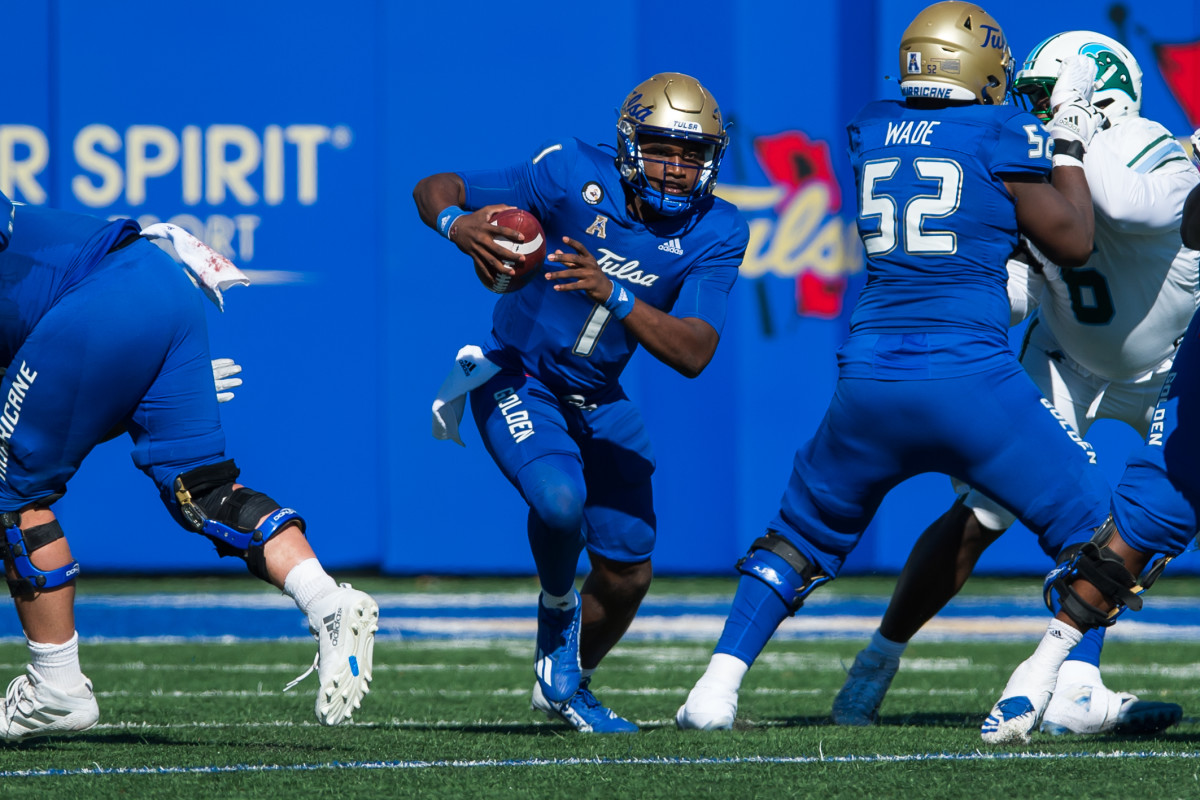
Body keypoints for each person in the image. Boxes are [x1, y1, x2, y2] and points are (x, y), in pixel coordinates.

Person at [677, 0, 1114, 731]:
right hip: (971, 380)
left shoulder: (872, 127)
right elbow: (1072, 240)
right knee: (1099, 530)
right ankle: (1058, 686)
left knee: (801, 534)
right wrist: (1065, 146)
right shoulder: (1000, 129)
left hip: (870, 379)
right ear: (976, 68)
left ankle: (714, 689)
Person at [832, 31, 1199, 736]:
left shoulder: (1143, 143)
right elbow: (1022, 276)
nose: (1030, 111)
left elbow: (1131, 209)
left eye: (1044, 95)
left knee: (1142, 523)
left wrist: (1072, 139)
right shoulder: (1036, 159)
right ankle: (878, 657)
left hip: (1170, 367)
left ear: (1099, 96)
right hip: (1065, 354)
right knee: (981, 518)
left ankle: (1077, 688)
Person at [414, 72, 748, 733]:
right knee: (560, 501)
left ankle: (563, 685)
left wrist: (616, 295)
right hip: (520, 376)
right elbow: (436, 187)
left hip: (598, 396)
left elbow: (695, 352)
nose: (677, 169)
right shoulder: (569, 172)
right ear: (628, 144)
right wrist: (460, 225)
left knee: (628, 574)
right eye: (661, 149)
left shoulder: (718, 229)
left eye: (692, 155)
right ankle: (557, 620)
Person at [0, 195, 379, 742]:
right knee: (204, 488)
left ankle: (55, 687)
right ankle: (329, 602)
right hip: (158, 284)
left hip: (101, 297)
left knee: (13, 495)